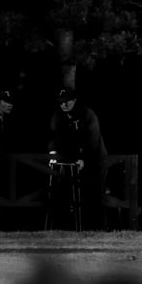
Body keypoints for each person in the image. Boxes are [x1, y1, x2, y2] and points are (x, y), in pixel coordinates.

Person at [48, 88, 109, 230]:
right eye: (61, 102)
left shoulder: (87, 114)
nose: (63, 105)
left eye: (67, 102)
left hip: (95, 158)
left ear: (74, 100)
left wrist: (83, 158)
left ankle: (99, 228)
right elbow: (55, 135)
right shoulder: (58, 115)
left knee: (95, 192)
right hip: (73, 158)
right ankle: (71, 227)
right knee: (68, 191)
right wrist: (53, 152)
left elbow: (92, 140)